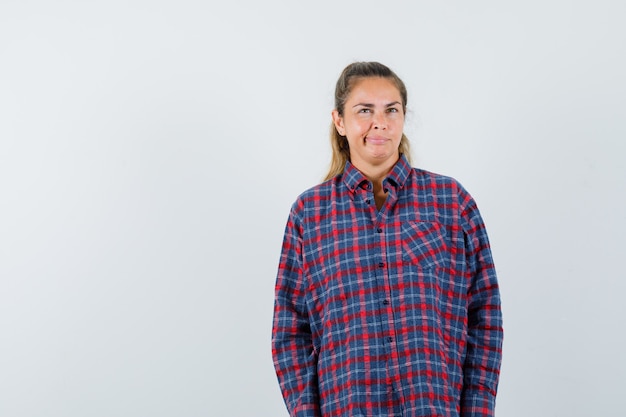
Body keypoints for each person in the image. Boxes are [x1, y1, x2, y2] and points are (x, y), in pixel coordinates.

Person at [271, 61, 503, 417]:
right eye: (364, 110)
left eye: (391, 110)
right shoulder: (309, 213)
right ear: (340, 121)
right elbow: (290, 333)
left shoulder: (450, 202)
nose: (379, 122)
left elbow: (484, 318)